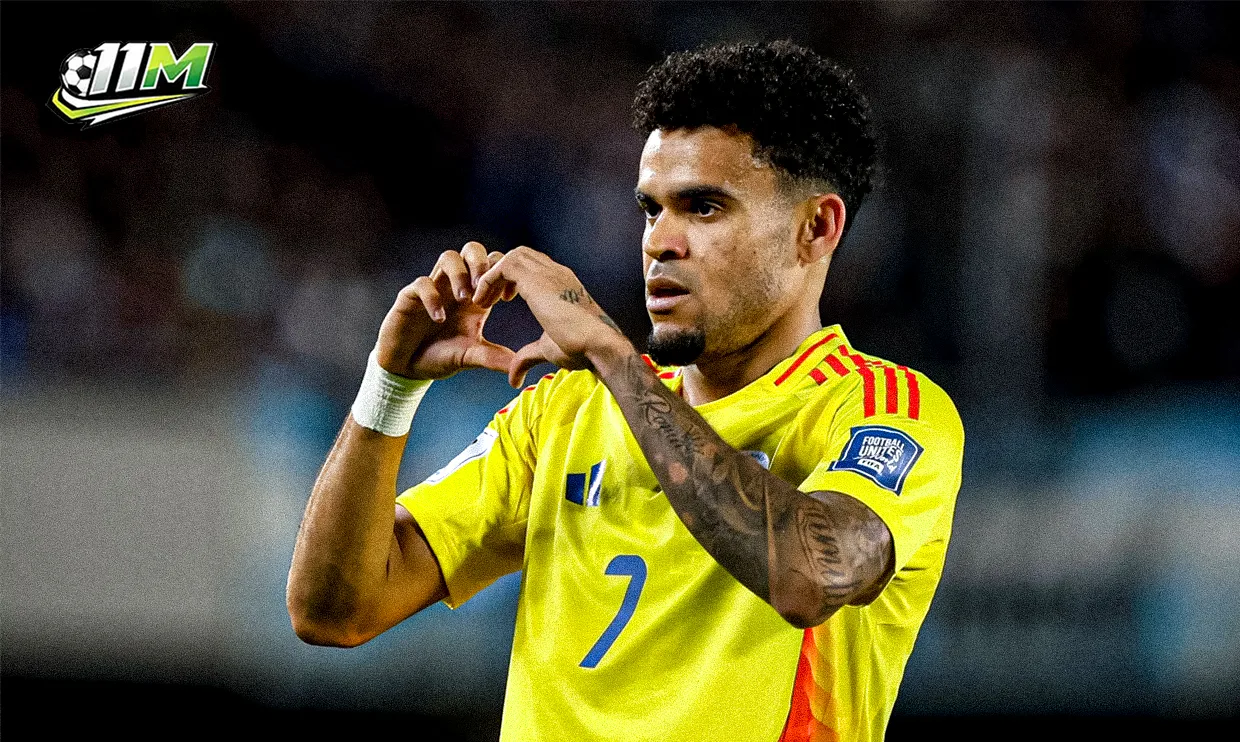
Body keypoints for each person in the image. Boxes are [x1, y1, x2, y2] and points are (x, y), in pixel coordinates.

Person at [287, 40, 963, 742]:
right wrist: (389, 387)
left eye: (703, 208)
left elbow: (811, 575)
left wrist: (614, 357)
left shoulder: (883, 409)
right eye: (650, 209)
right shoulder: (563, 414)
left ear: (815, 228)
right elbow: (333, 612)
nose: (659, 242)